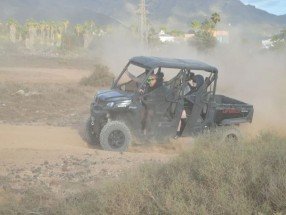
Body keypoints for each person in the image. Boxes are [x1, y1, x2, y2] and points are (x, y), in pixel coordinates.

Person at [174, 74, 204, 139]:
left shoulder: (200, 91)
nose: (193, 82)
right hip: (186, 106)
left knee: (181, 113)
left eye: (195, 81)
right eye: (193, 80)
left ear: (199, 83)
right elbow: (184, 95)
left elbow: (193, 99)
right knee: (179, 111)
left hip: (194, 110)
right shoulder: (191, 88)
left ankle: (178, 133)